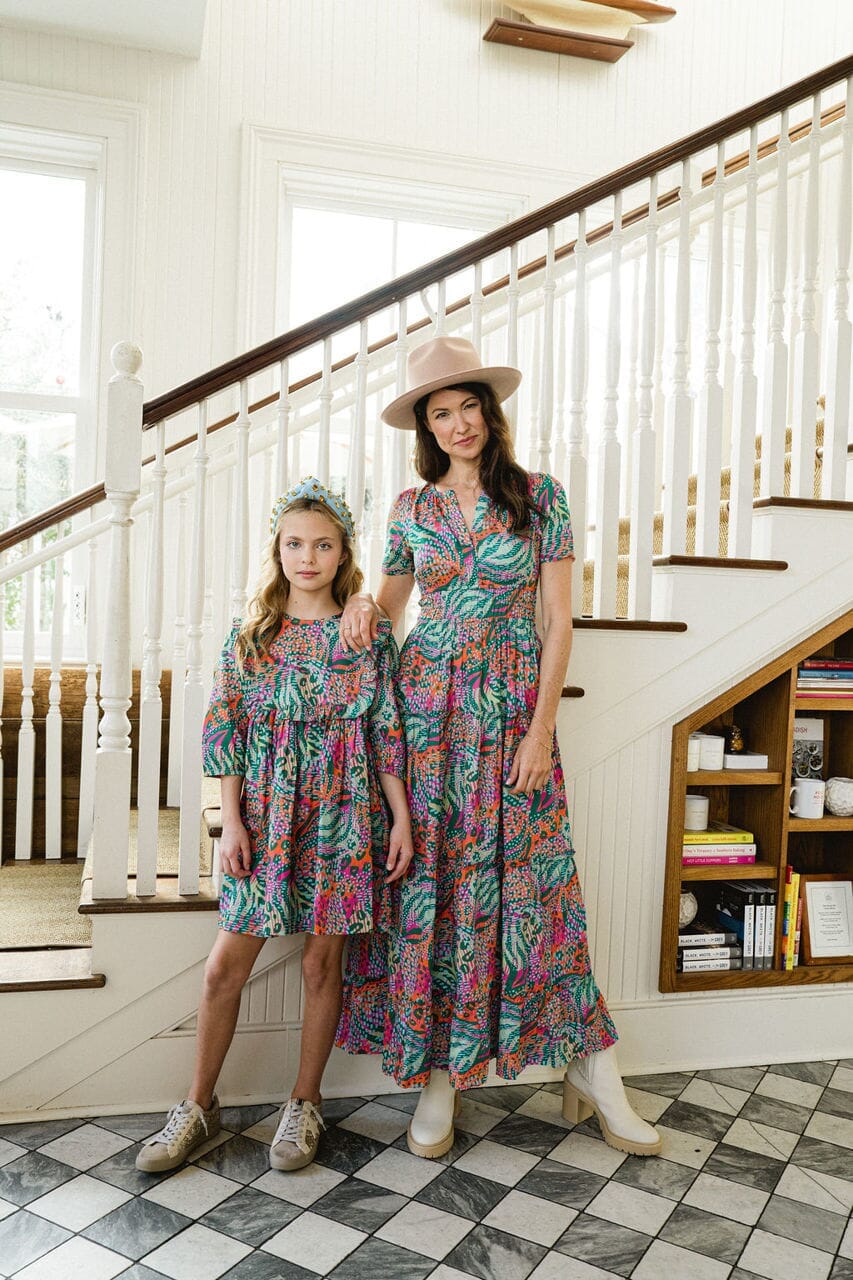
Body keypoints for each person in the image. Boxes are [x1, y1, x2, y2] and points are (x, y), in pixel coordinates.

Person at [338, 337, 661, 1159]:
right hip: (428, 713)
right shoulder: (412, 509)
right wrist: (354, 609)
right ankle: (440, 1078)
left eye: (466, 406)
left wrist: (542, 727)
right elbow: (389, 605)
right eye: (438, 412)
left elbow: (557, 621)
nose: (456, 423)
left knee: (539, 892)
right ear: (425, 426)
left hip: (514, 707)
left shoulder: (539, 496)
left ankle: (594, 1070)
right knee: (435, 890)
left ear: (489, 409)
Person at [136, 478, 412, 1175]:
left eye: (322, 544)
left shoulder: (363, 634)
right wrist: (230, 821)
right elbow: (225, 732)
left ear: (344, 551)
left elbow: (384, 734)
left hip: (347, 819)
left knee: (324, 964)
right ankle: (198, 1104)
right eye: (294, 543)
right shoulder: (251, 635)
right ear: (277, 548)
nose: (307, 557)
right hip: (265, 817)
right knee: (225, 965)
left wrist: (401, 818)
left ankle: (304, 1102)